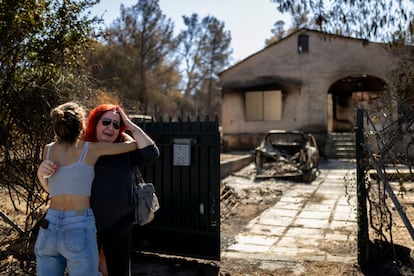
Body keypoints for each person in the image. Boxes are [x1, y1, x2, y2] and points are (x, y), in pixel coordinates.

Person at [35, 102, 138, 276]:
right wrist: (123, 128)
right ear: (83, 123)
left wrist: (39, 174)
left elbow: (51, 189)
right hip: (78, 224)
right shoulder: (90, 149)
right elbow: (133, 145)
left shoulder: (49, 150)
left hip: (49, 224)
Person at [83, 104, 159, 276]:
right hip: (86, 224)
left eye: (116, 125)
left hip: (119, 225)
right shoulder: (81, 150)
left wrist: (129, 125)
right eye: (106, 122)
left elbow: (151, 152)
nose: (110, 127)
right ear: (95, 123)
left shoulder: (124, 150)